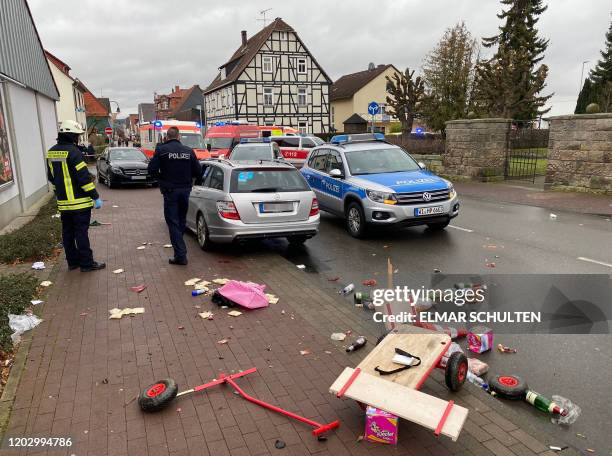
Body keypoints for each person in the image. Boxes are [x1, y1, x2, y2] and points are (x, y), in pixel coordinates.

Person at [46, 120, 105, 272]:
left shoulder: (51, 152)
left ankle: (72, 262)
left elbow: (51, 177)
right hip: (79, 203)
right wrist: (95, 196)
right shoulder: (75, 152)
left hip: (63, 203)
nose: (78, 138)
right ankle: (86, 263)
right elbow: (83, 178)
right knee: (81, 233)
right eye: (77, 135)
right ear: (72, 135)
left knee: (67, 233)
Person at [148, 126, 202, 265]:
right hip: (185, 190)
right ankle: (180, 249)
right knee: (181, 220)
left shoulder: (161, 150)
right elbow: (198, 171)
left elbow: (152, 170)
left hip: (170, 191)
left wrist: (162, 179)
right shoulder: (188, 151)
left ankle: (181, 255)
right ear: (179, 137)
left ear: (166, 137)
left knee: (172, 222)